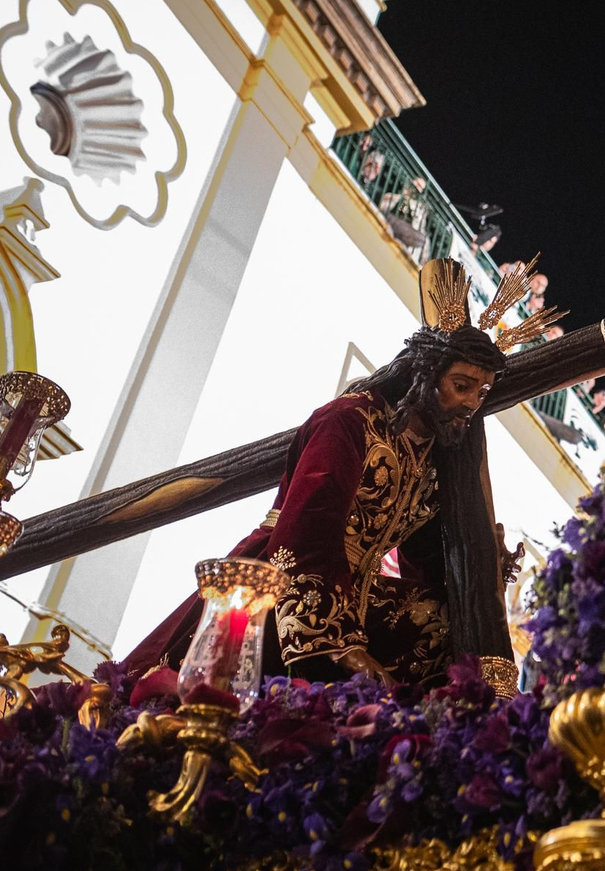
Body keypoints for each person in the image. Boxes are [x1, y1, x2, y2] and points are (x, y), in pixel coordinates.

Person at [126, 265, 544, 688]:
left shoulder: (432, 459)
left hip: (358, 594)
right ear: (426, 373)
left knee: (442, 627)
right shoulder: (350, 421)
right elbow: (310, 525)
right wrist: (341, 643)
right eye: (462, 385)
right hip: (284, 576)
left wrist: (482, 566)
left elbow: (424, 562)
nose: (473, 402)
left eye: (482, 392)